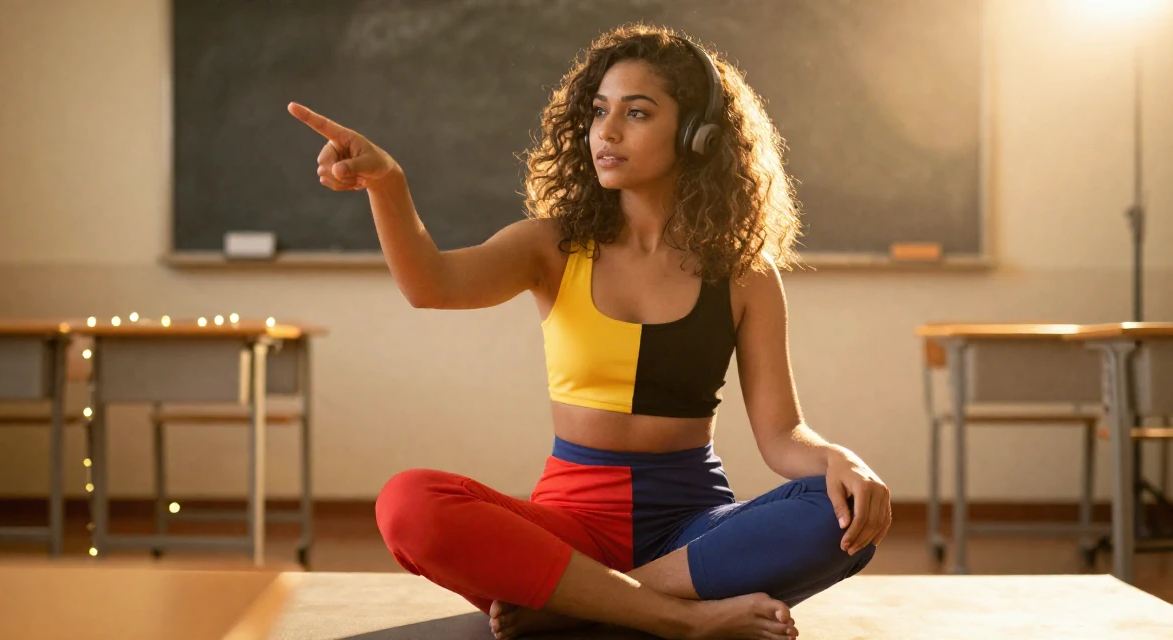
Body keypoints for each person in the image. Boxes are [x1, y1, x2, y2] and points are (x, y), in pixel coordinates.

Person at [289, 23, 889, 640]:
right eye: (599, 111)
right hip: (567, 527)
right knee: (407, 504)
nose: (607, 130)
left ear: (696, 134)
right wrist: (388, 185)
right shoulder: (551, 246)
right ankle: (677, 618)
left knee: (841, 512)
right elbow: (430, 285)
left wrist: (839, 461)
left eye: (637, 113)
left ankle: (581, 599)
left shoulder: (743, 274)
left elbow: (781, 435)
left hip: (688, 532)